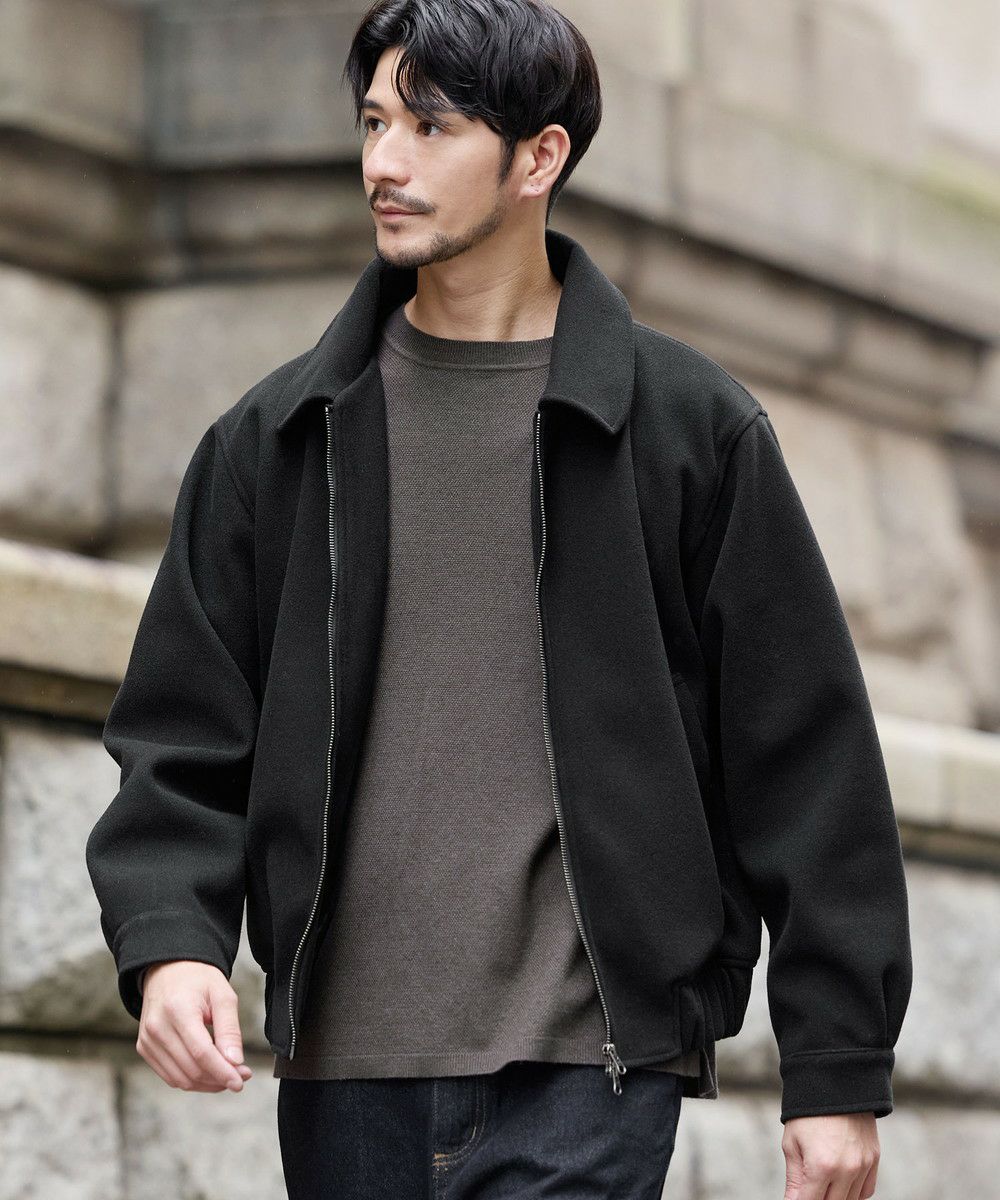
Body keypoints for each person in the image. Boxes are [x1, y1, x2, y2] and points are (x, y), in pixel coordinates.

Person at [85, 1, 913, 1197]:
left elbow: (806, 758)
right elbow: (181, 736)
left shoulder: (686, 431)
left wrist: (836, 1066)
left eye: (429, 127)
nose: (384, 162)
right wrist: (171, 944)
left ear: (539, 158)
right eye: (374, 122)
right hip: (343, 1083)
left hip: (586, 1071)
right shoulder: (276, 441)